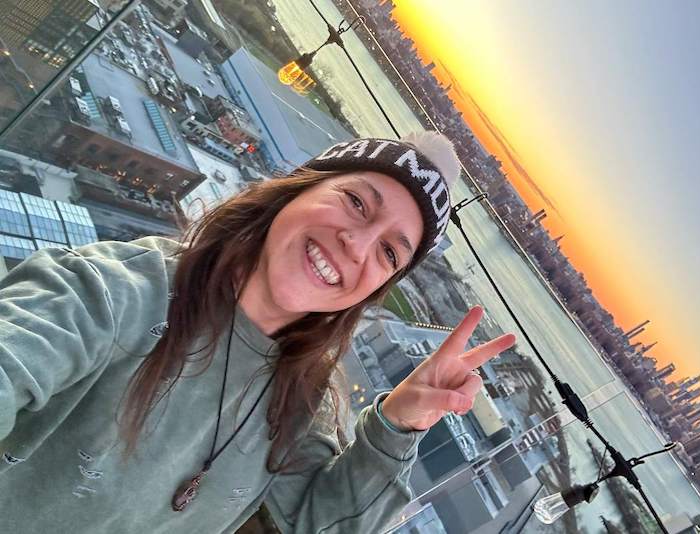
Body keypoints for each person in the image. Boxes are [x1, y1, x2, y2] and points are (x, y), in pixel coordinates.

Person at [0, 131, 516, 533]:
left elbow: (323, 526)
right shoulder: (115, 292)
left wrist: (399, 424)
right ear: (299, 187)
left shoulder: (295, 403)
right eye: (357, 202)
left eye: (389, 253)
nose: (357, 247)